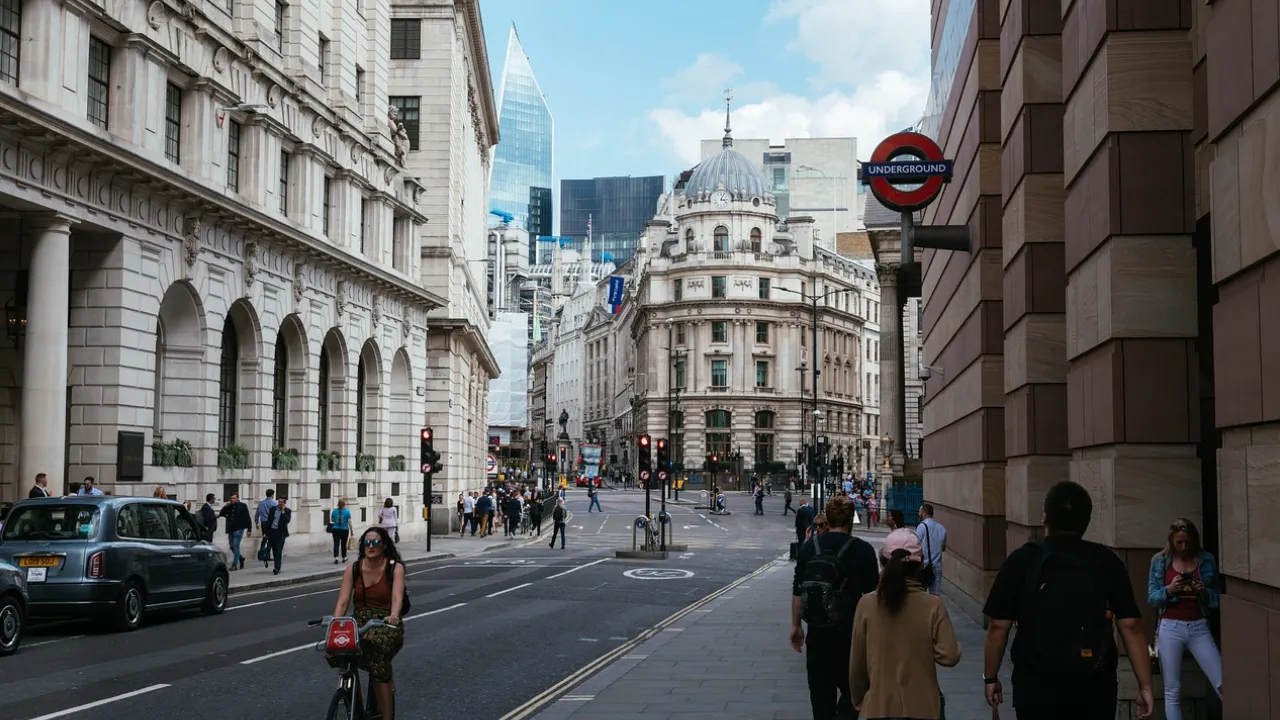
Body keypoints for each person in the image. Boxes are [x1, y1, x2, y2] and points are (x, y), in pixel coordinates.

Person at [982, 481, 1154, 719]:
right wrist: (1145, 685)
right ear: (1086, 521)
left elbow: (998, 626)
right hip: (1094, 686)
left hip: (1036, 686)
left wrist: (991, 678)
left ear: (1045, 517)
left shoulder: (1022, 560)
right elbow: (1131, 625)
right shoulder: (1105, 561)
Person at [850, 528, 961, 719]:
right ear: (921, 564)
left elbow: (857, 661)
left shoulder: (867, 604)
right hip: (923, 708)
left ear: (882, 562)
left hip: (880, 706)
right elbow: (949, 656)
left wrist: (858, 694)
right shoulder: (932, 605)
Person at [790, 496, 880, 720]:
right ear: (851, 519)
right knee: (854, 696)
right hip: (852, 639)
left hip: (818, 637)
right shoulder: (863, 551)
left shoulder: (810, 548)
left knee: (821, 701)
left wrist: (796, 626)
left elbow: (798, 591)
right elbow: (873, 598)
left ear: (827, 520)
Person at [1148, 517, 1222, 719]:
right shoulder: (1160, 561)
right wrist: (1169, 589)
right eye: (1179, 542)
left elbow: (1217, 597)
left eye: (1187, 541)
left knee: (1223, 683)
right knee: (1172, 690)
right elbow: (1152, 597)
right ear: (1171, 540)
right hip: (1170, 626)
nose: (1183, 546)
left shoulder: (1205, 560)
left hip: (1199, 625)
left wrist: (1203, 592)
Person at [328, 526, 405, 719]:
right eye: (367, 543)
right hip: (360, 621)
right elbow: (343, 601)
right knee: (340, 649)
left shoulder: (394, 568)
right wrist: (336, 624)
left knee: (377, 662)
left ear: (384, 545)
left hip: (385, 623)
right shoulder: (353, 569)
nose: (371, 546)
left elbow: (397, 597)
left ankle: (387, 716)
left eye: (376, 542)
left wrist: (394, 615)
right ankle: (355, 703)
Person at [916, 503, 946, 595]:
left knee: (921, 594)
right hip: (937, 566)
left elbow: (916, 545)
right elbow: (943, 547)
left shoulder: (921, 527)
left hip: (924, 566)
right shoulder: (942, 528)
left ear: (924, 513)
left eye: (920, 512)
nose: (919, 514)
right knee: (935, 594)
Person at [218, 493, 251, 570]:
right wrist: (226, 506)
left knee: (236, 546)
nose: (232, 500)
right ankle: (241, 558)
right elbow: (221, 514)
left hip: (239, 528)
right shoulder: (229, 506)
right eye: (231, 498)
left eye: (234, 498)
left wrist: (249, 529)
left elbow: (247, 517)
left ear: (237, 498)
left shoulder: (242, 506)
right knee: (231, 546)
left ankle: (234, 564)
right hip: (230, 528)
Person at [263, 498, 292, 575]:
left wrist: (283, 512)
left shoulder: (287, 511)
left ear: (284, 503)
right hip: (272, 532)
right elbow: (269, 520)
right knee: (274, 550)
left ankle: (277, 567)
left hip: (281, 533)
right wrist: (265, 532)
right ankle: (277, 565)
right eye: (279, 502)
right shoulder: (273, 509)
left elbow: (287, 520)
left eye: (281, 502)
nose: (280, 503)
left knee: (278, 550)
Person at [329, 499, 352, 564]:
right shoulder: (347, 512)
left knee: (336, 543)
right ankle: (344, 557)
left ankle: (336, 557)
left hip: (335, 529)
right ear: (344, 505)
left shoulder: (334, 511)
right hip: (344, 530)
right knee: (343, 544)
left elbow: (332, 520)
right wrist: (352, 531)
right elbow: (349, 522)